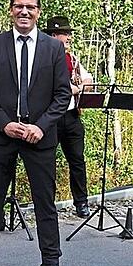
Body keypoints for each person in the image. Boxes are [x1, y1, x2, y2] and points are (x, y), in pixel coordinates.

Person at [0, 0, 71, 266]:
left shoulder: (54, 48)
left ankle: (51, 262)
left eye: (30, 7)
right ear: (11, 10)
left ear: (38, 11)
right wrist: (4, 124)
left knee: (45, 202)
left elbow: (62, 95)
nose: (24, 12)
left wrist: (40, 126)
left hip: (39, 136)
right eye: (19, 6)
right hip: (2, 135)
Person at [41, 16, 93, 218]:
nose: (69, 37)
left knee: (77, 160)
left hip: (71, 116)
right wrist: (69, 88)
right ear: (55, 36)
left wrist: (84, 83)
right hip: (50, 117)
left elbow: (87, 78)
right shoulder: (43, 57)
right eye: (66, 33)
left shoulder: (71, 58)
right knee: (47, 161)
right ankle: (47, 203)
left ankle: (81, 202)